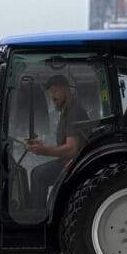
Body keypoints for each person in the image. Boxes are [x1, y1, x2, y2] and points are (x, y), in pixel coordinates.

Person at [24, 74, 88, 208]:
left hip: (76, 162)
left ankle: (36, 217)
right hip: (72, 160)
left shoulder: (74, 112)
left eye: (55, 91)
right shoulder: (67, 111)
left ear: (66, 89)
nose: (52, 96)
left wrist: (44, 150)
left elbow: (72, 148)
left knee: (38, 174)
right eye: (50, 93)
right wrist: (43, 146)